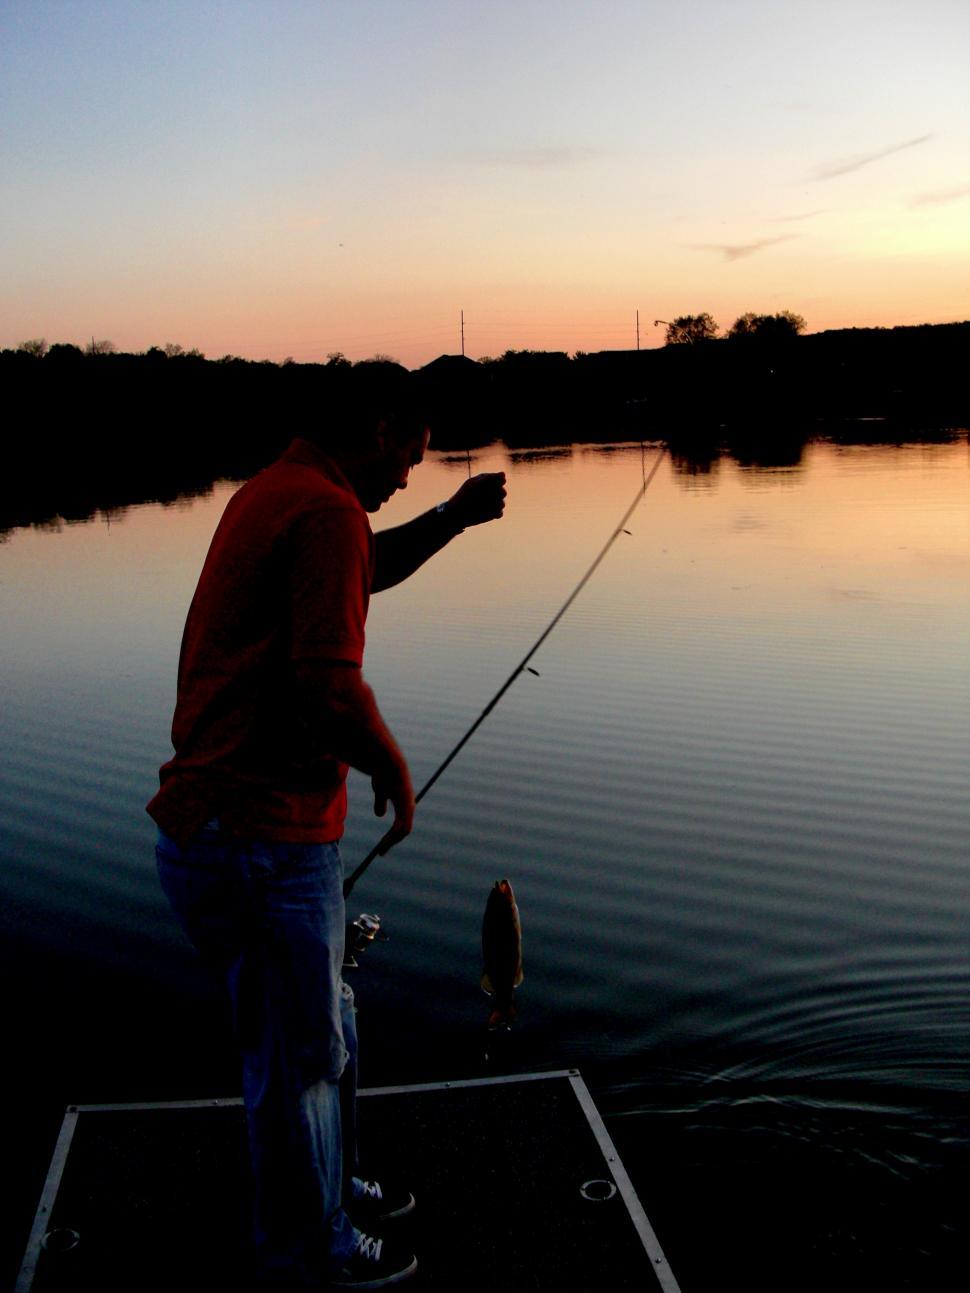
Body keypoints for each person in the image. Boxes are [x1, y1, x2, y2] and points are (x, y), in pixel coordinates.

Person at [148, 364, 506, 1289]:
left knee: (327, 1028)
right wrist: (389, 762)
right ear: (381, 426)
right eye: (410, 456)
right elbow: (326, 682)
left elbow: (362, 564)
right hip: (257, 837)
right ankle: (312, 1248)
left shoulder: (282, 492)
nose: (407, 477)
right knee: (295, 1056)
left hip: (248, 830)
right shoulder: (322, 509)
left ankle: (332, 1186)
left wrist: (453, 521)